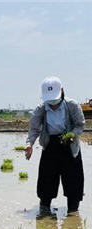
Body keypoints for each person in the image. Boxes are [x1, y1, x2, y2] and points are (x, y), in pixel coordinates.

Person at [25, 76, 85, 213]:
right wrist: (29, 144)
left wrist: (72, 135)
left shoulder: (72, 105)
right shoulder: (40, 109)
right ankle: (44, 211)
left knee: (73, 182)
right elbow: (34, 129)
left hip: (69, 145)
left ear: (62, 91)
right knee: (46, 182)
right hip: (50, 146)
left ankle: (73, 213)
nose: (53, 103)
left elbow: (79, 125)